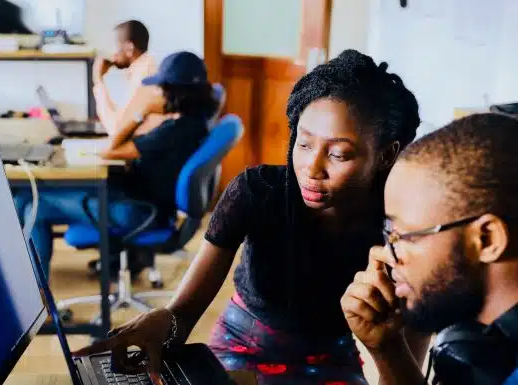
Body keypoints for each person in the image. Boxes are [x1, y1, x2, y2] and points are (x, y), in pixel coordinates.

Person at [71, 49, 427, 385]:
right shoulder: (257, 193)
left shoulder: (404, 233)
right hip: (241, 344)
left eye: (338, 154)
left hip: (332, 360)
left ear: (385, 155)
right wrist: (165, 321)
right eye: (303, 144)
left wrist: (385, 345)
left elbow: (406, 372)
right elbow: (182, 315)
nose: (311, 168)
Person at [342, 113, 518, 385]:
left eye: (405, 235)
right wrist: (388, 349)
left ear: (487, 240)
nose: (386, 255)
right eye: (389, 233)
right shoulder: (482, 343)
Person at [16, 51, 217, 282]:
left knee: (35, 207)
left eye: (160, 88)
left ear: (174, 92)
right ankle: (26, 283)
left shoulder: (176, 131)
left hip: (138, 212)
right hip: (140, 202)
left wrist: (142, 113)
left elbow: (111, 149)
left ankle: (39, 297)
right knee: (24, 197)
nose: (156, 92)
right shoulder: (195, 123)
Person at [93, 20, 168, 136]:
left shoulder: (144, 75)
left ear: (129, 48)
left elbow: (116, 130)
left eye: (114, 47)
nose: (112, 55)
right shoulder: (144, 67)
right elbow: (121, 118)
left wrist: (98, 80)